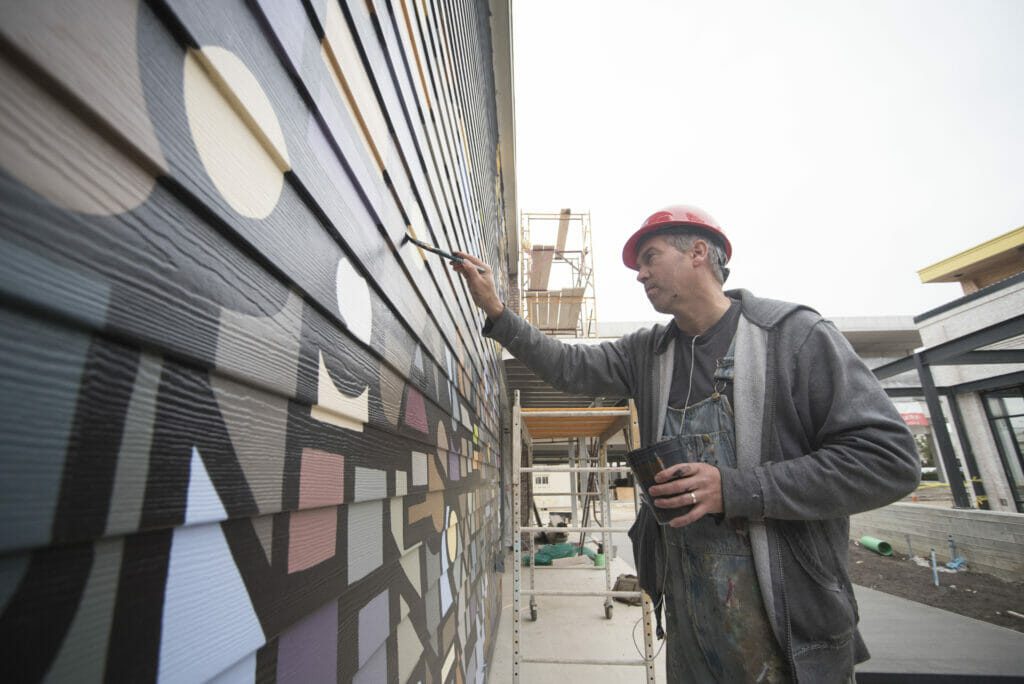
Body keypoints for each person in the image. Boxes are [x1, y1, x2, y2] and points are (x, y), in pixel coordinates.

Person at [452, 204, 920, 683]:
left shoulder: (793, 338)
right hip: (691, 617)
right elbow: (568, 366)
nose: (640, 274)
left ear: (698, 252)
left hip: (787, 622)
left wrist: (736, 489)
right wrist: (497, 310)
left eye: (650, 257)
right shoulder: (648, 353)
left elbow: (889, 460)